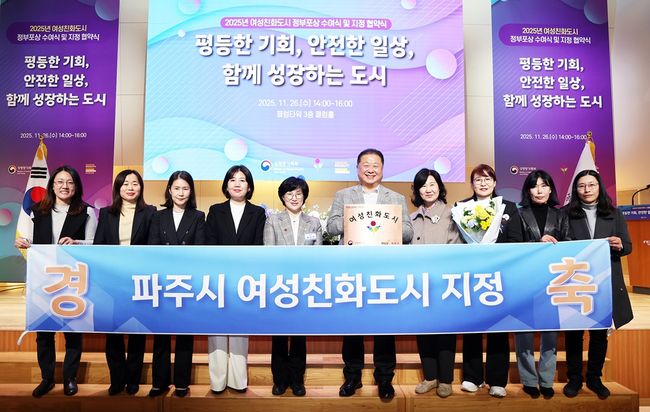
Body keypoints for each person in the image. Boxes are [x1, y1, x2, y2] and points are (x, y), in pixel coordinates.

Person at [326, 148, 414, 400]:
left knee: (385, 325)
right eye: (365, 164)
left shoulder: (395, 198)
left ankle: (384, 378)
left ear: (382, 169)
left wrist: (387, 223)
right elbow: (331, 228)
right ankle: (352, 376)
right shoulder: (343, 195)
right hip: (352, 270)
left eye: (375, 165)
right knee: (352, 325)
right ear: (357, 168)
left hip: (384, 271)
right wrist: (355, 218)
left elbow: (408, 233)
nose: (370, 169)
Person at [14, 165, 97, 398]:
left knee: (73, 329)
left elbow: (96, 243)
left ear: (76, 186)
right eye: (60, 181)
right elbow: (30, 241)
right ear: (52, 185)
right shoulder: (37, 210)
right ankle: (47, 378)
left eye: (70, 182)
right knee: (44, 331)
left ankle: (70, 378)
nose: (64, 186)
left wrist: (78, 243)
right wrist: (23, 243)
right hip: (44, 279)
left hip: (73, 279)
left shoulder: (87, 212)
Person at [562, 169, 633, 399]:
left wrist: (620, 244)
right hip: (575, 279)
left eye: (591, 185)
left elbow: (628, 246)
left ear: (599, 186)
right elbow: (561, 245)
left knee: (599, 333)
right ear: (576, 189)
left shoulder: (614, 213)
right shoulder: (565, 213)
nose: (587, 190)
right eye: (581, 185)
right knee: (574, 333)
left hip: (604, 281)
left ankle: (594, 377)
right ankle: (574, 378)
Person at [459, 164, 522, 398]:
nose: (483, 183)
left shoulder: (509, 207)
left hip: (500, 275)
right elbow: (458, 243)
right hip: (471, 275)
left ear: (495, 183)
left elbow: (516, 241)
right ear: (472, 184)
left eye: (487, 179)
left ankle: (497, 380)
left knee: (499, 327)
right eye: (478, 180)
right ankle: (472, 377)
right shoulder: (461, 208)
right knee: (472, 326)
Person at [94, 169, 156, 396]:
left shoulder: (150, 212)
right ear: (118, 188)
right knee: (113, 332)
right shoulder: (106, 213)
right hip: (112, 281)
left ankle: (133, 379)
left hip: (138, 280)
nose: (130, 188)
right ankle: (117, 379)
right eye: (125, 183)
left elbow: (153, 247)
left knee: (137, 331)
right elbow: (99, 246)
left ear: (141, 187)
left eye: (135, 183)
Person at [205, 165, 266, 393]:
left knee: (240, 329)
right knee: (217, 329)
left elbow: (258, 246)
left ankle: (238, 380)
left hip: (245, 280)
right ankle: (218, 381)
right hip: (218, 279)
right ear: (226, 185)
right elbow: (209, 243)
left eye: (242, 180)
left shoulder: (257, 213)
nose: (237, 184)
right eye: (232, 179)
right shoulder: (215, 210)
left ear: (249, 186)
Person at [147, 171, 205, 398]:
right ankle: (159, 382)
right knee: (160, 334)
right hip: (162, 281)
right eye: (177, 188)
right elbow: (152, 247)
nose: (181, 193)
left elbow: (199, 250)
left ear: (191, 191)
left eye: (185, 188)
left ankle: (182, 383)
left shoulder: (198, 216)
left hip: (186, 282)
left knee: (184, 334)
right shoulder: (158, 216)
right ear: (169, 190)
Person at [263, 176, 322, 397]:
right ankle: (279, 380)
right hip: (280, 284)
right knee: (278, 335)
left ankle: (297, 380)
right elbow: (269, 253)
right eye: (289, 194)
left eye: (298, 193)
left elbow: (317, 255)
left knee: (299, 336)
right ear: (282, 197)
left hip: (305, 285)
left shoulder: (313, 222)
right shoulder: (273, 221)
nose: (294, 198)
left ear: (304, 197)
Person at [515, 170, 570, 399]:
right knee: (524, 334)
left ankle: (546, 380)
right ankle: (528, 380)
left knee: (550, 334)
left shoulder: (560, 215)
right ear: (528, 190)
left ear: (550, 189)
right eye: (534, 186)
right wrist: (538, 243)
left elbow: (569, 244)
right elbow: (513, 246)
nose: (539, 190)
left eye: (544, 185)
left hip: (553, 281)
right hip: (525, 281)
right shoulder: (518, 214)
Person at [409, 168, 461, 398]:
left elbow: (456, 246)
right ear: (417, 191)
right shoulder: (411, 218)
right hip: (418, 285)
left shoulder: (453, 214)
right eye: (423, 186)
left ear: (439, 186)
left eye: (432, 184)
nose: (428, 189)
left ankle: (446, 380)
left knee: (445, 332)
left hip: (443, 283)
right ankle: (430, 377)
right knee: (424, 331)